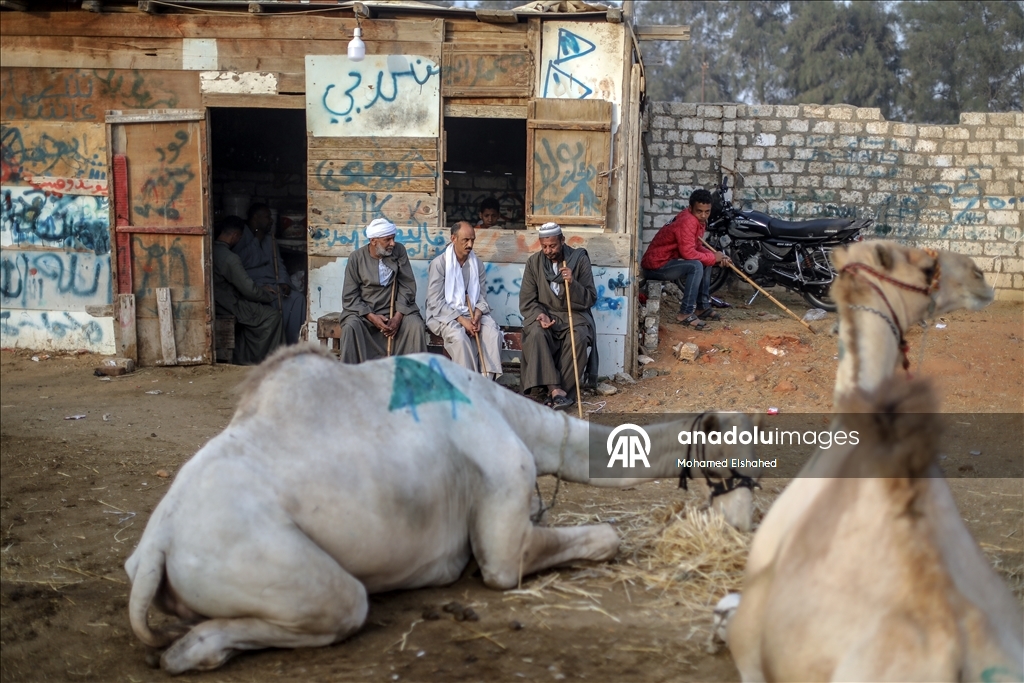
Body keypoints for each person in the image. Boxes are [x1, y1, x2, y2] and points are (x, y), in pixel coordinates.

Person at [519, 222, 598, 410]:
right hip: (546, 315)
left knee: (577, 337)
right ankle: (555, 390)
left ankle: (558, 394)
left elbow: (591, 298)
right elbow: (527, 300)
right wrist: (540, 315)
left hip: (575, 315)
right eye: (544, 246)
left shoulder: (579, 259)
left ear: (562, 240)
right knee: (536, 333)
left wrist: (572, 283)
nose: (548, 250)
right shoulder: (534, 263)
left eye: (552, 246)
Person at [640, 188, 732, 331]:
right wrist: (713, 257)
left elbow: (697, 247)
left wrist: (718, 257)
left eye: (707, 211)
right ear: (690, 208)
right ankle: (685, 312)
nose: (703, 215)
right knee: (695, 265)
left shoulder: (698, 220)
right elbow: (688, 253)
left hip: (667, 262)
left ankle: (702, 308)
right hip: (656, 266)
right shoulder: (688, 221)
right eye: (699, 211)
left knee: (705, 261)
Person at [337, 218, 427, 364]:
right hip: (365, 313)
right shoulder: (356, 258)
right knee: (350, 327)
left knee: (415, 326)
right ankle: (352, 378)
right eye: (387, 240)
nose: (392, 243)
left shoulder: (398, 250)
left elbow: (407, 285)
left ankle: (413, 379)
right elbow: (350, 296)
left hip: (395, 311)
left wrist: (397, 318)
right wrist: (372, 317)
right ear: (373, 241)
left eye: (393, 238)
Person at [426, 221, 503, 379]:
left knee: (492, 332)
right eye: (465, 240)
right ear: (453, 238)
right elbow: (435, 302)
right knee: (460, 338)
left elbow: (481, 296)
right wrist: (462, 320)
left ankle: (487, 382)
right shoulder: (439, 264)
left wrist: (478, 315)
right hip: (444, 315)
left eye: (472, 240)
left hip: (472, 313)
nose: (470, 244)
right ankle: (467, 383)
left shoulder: (477, 264)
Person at [212, 216, 285, 365]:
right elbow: (249, 290)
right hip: (229, 305)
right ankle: (267, 361)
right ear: (235, 236)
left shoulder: (210, 250)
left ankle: (244, 357)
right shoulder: (230, 258)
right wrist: (267, 295)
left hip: (219, 302)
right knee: (272, 316)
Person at [233, 203, 305, 344]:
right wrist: (256, 240)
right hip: (255, 286)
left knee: (298, 299)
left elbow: (279, 264)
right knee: (270, 303)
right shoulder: (242, 235)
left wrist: (284, 281)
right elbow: (240, 260)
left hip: (275, 283)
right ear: (255, 217)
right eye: (267, 217)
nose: (271, 221)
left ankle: (292, 346)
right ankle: (275, 345)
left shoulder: (270, 239)